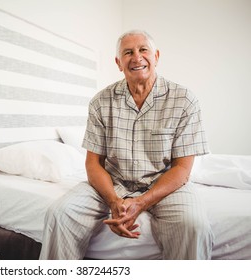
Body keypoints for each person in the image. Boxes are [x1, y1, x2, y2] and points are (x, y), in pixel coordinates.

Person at [39, 30, 214, 260]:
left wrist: (140, 202)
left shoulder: (184, 100)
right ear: (118, 63)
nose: (137, 57)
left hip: (163, 183)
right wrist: (114, 201)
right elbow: (93, 163)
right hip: (113, 182)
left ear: (156, 56)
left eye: (143, 50)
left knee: (194, 226)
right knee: (59, 214)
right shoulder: (101, 101)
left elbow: (182, 169)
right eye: (128, 52)